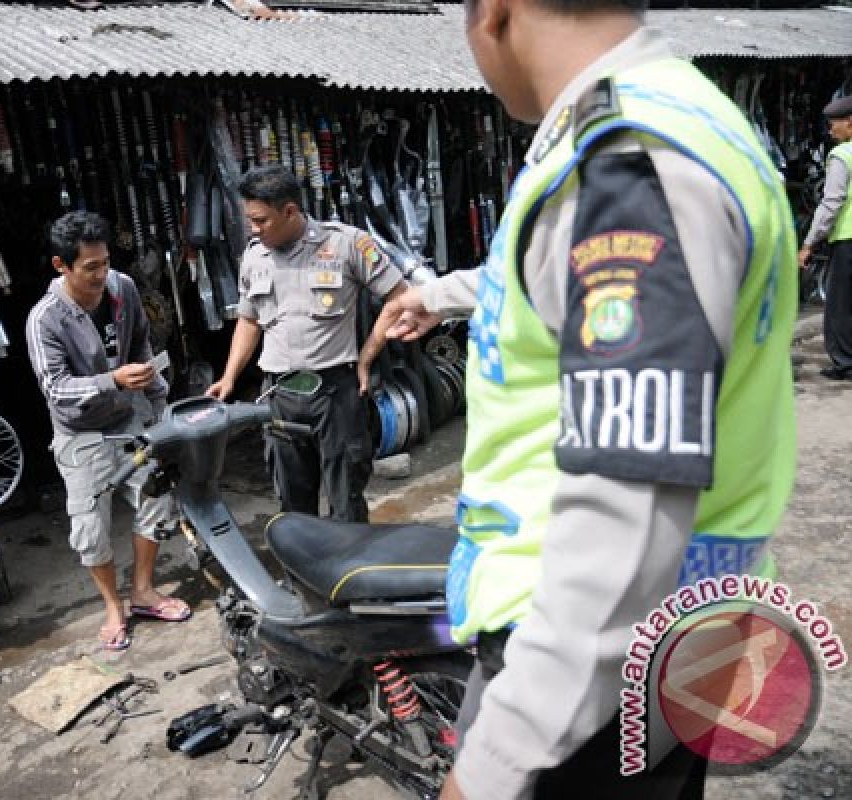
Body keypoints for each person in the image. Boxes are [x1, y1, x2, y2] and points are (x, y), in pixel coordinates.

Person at [360, 0, 796, 796]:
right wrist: (447, 294)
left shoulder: (631, 164)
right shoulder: (682, 116)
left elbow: (623, 530)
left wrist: (495, 762)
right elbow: (567, 280)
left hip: (591, 668)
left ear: (495, 12)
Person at [26, 210, 190, 652]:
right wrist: (111, 380)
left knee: (157, 497)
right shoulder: (45, 320)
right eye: (90, 267)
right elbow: (55, 389)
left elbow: (140, 343)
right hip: (80, 435)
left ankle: (142, 590)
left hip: (128, 418)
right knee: (89, 529)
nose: (102, 274)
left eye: (105, 262)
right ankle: (113, 606)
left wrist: (158, 402)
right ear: (61, 266)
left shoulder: (123, 288)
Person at [205, 165, 408, 522]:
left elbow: (401, 298)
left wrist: (368, 356)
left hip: (335, 393)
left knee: (346, 500)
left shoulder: (346, 244)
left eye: (261, 221)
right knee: (293, 508)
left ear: (290, 211)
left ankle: (351, 575)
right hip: (281, 395)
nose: (253, 229)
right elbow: (249, 320)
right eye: (250, 220)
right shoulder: (254, 256)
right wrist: (230, 377)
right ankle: (301, 578)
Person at [798, 94, 852, 380]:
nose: (830, 131)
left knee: (840, 304)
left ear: (850, 124)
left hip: (847, 239)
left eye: (835, 125)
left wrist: (808, 243)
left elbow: (832, 203)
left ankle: (844, 362)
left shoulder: (841, 156)